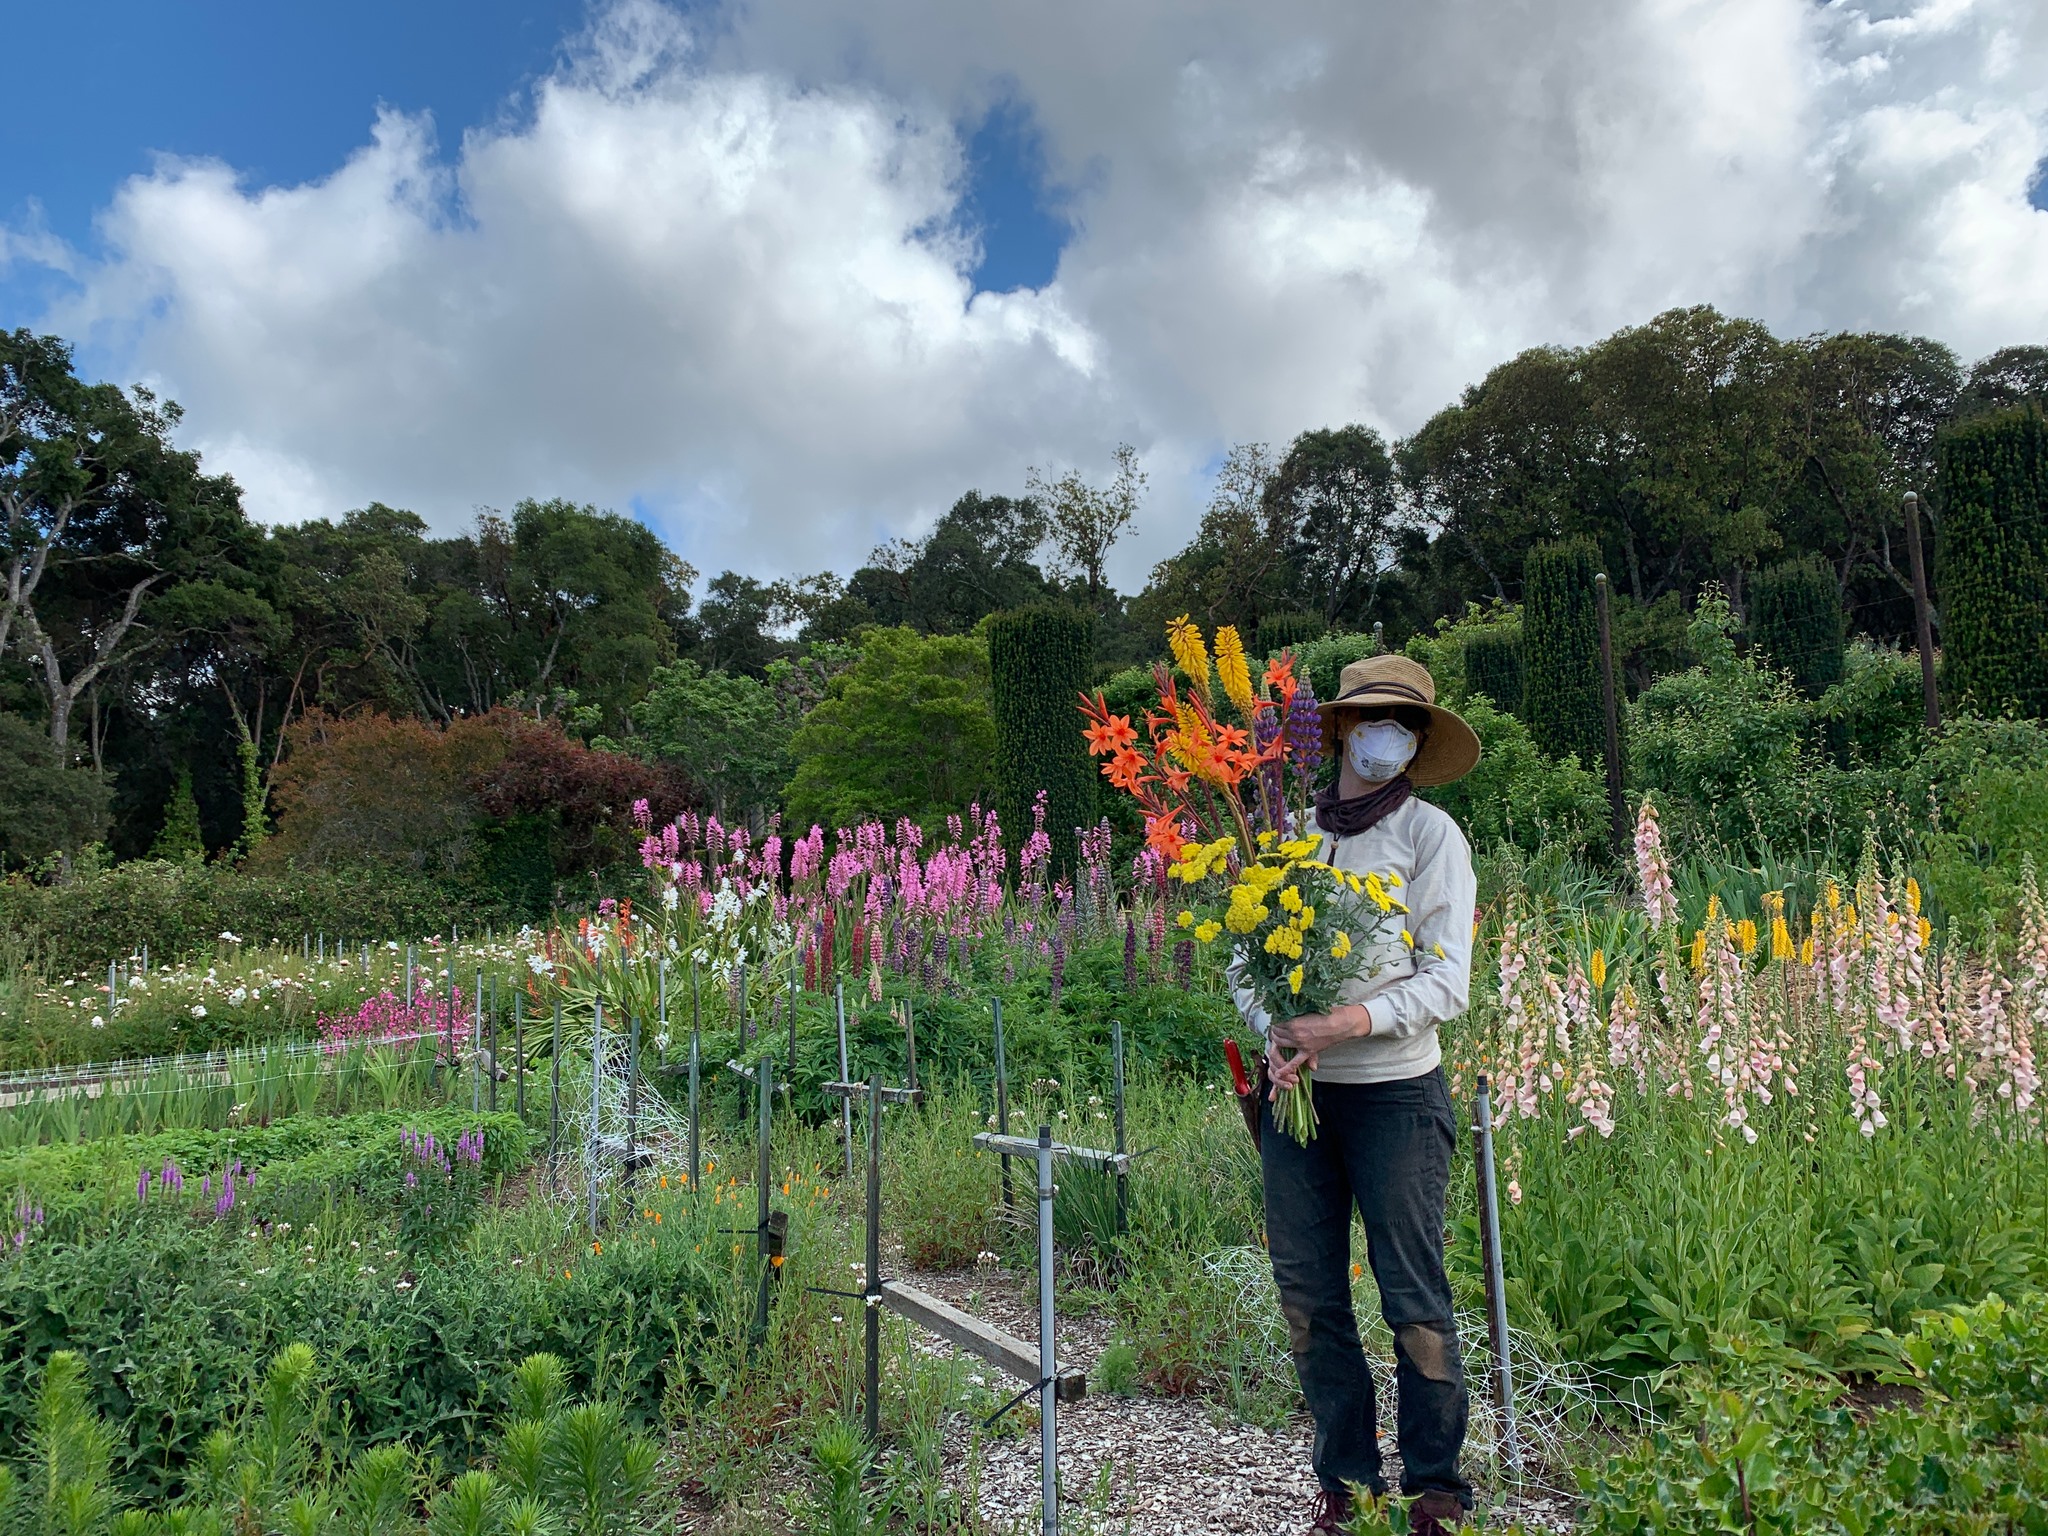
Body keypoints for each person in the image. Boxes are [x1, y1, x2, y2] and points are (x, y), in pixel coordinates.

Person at [1244, 653, 1481, 1534]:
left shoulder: (1430, 837)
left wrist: (1343, 1024)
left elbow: (1446, 983)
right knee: (1309, 1300)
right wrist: (1277, 1027)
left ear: (1416, 744)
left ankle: (1436, 1491)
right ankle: (1345, 1485)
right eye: (1375, 718)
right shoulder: (1285, 832)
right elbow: (1246, 956)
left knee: (1412, 1293)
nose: (1389, 737)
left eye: (1406, 725)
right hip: (1296, 1101)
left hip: (1394, 1098)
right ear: (1340, 727)